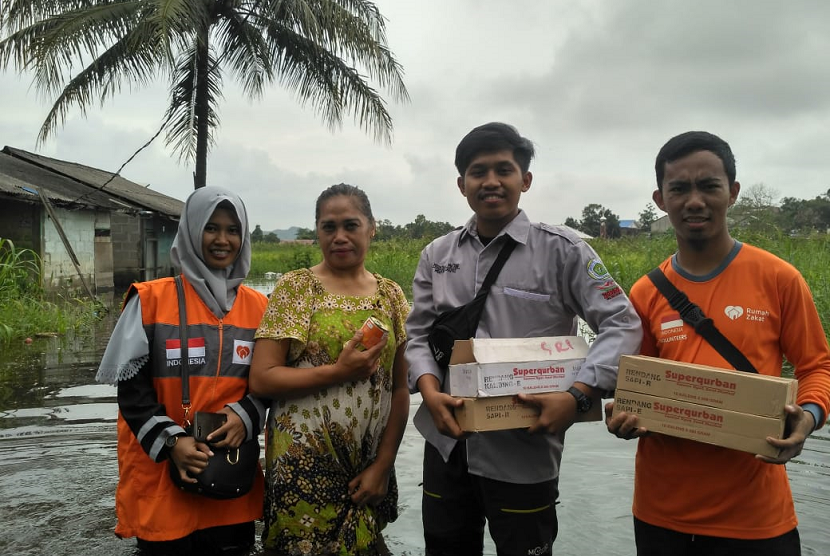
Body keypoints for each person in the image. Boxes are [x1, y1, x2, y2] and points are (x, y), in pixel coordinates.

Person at [404, 122, 643, 556]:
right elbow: (417, 334)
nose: (491, 181)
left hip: (524, 451)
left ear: (525, 180)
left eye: (504, 170)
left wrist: (578, 395)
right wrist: (428, 390)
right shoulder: (437, 256)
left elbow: (622, 324)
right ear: (462, 184)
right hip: (446, 442)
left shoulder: (565, 251)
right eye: (478, 172)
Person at [605, 131, 830, 555]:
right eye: (679, 188)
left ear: (733, 193)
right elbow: (639, 383)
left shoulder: (779, 279)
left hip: (758, 517)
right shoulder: (645, 293)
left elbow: (818, 366)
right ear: (660, 199)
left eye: (709, 186)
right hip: (661, 514)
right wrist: (624, 413)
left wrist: (811, 416)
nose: (694, 201)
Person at [96, 186, 268, 555]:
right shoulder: (150, 299)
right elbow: (131, 389)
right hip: (162, 477)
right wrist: (174, 442)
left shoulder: (260, 307)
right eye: (211, 228)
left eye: (232, 230)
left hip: (230, 476)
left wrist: (244, 417)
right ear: (191, 231)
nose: (222, 240)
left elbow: (269, 383)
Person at [249, 183, 410, 556]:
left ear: (372, 228)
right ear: (317, 232)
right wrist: (339, 372)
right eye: (328, 227)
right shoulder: (296, 289)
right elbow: (262, 378)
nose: (339, 237)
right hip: (303, 464)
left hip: (367, 466)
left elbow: (399, 390)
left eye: (351, 225)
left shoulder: (391, 295)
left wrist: (383, 466)